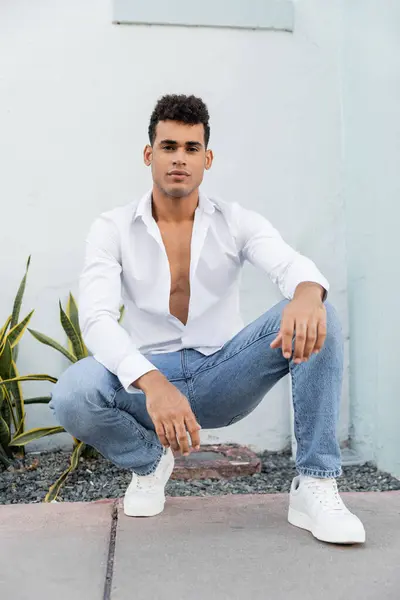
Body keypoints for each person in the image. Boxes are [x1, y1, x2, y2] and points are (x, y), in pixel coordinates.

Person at [49, 94, 365, 545]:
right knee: (72, 393)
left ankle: (314, 484)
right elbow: (97, 319)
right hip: (151, 384)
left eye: (191, 148)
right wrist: (153, 384)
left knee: (319, 312)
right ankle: (148, 461)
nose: (179, 158)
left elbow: (290, 266)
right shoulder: (112, 227)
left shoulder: (236, 221)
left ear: (207, 158)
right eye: (169, 146)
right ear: (149, 154)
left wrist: (307, 294)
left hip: (224, 375)